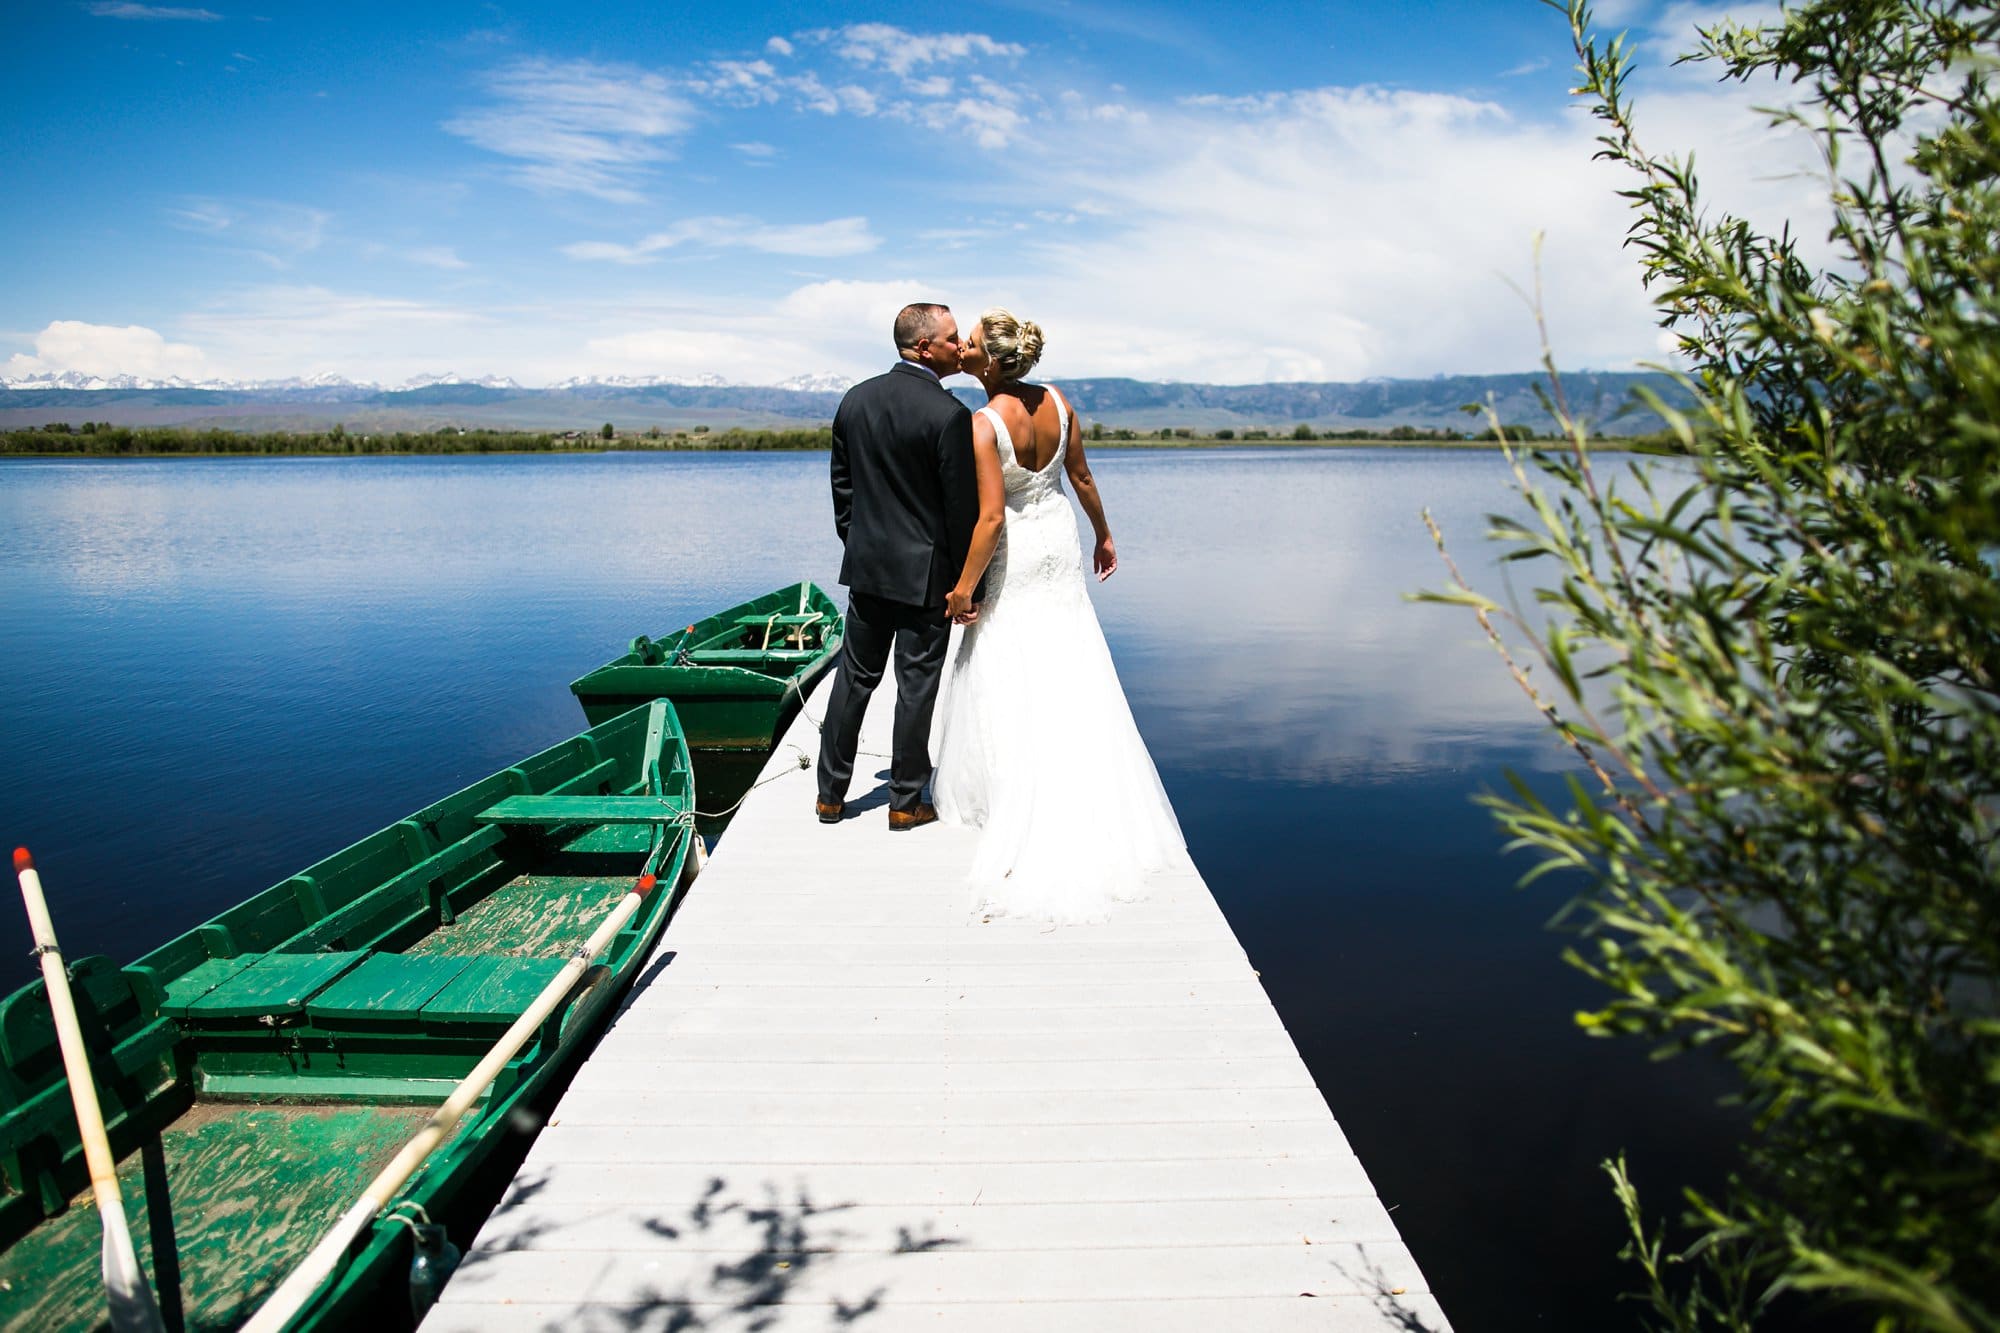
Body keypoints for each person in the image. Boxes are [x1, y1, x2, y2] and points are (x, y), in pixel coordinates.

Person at [931, 308, 1192, 921]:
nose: (962, 352)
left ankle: (1019, 795)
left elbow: (992, 519)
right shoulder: (1058, 400)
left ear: (990, 361)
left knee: (1006, 654)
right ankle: (1080, 781)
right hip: (1058, 539)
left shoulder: (983, 423)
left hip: (1018, 549)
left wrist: (964, 589)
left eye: (969, 346)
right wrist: (1104, 534)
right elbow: (1080, 475)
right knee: (1067, 654)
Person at [815, 302, 983, 831]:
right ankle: (906, 801)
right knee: (916, 686)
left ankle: (829, 797)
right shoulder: (948, 414)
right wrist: (965, 584)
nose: (960, 346)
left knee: (854, 678)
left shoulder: (854, 400)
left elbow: (842, 490)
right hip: (925, 576)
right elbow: (961, 511)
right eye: (953, 338)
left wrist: (860, 543)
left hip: (866, 569)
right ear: (923, 346)